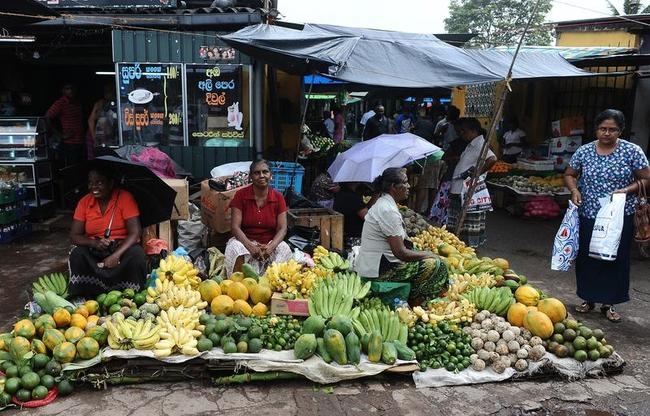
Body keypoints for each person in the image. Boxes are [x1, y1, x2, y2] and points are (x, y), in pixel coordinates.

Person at [564, 109, 650, 323]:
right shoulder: (584, 151)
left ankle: (610, 303)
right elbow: (569, 174)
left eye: (613, 130)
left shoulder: (632, 151)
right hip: (589, 212)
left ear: (620, 131)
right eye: (603, 128)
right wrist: (574, 190)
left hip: (619, 216)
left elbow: (646, 179)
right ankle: (587, 298)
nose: (607, 133)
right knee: (587, 256)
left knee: (615, 256)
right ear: (596, 129)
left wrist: (626, 190)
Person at [356, 167, 449, 303]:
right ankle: (417, 301)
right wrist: (429, 255)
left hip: (376, 263)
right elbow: (400, 252)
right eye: (405, 183)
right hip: (380, 271)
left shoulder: (385, 203)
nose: (409, 186)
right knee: (436, 265)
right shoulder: (387, 210)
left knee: (427, 257)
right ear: (394, 187)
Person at [68, 166, 147, 297]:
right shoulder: (84, 202)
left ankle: (130, 296)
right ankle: (86, 296)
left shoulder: (124, 198)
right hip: (95, 248)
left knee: (137, 255)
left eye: (99, 182)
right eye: (91, 183)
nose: (94, 187)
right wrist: (94, 243)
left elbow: (135, 232)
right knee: (77, 254)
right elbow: (74, 236)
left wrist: (116, 255)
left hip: (121, 248)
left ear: (110, 184)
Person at [225, 159, 293, 276]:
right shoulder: (241, 195)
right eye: (257, 173)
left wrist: (270, 247)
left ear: (270, 175)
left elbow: (283, 228)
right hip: (245, 241)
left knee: (284, 249)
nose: (261, 176)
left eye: (265, 172)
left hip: (269, 243)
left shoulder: (278, 197)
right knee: (234, 248)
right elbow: (235, 227)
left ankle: (271, 283)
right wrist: (251, 246)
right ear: (251, 176)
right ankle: (240, 285)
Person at [446, 117, 497, 247]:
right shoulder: (471, 144)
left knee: (467, 221)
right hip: (458, 188)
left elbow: (492, 159)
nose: (461, 133)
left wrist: (477, 173)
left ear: (474, 131)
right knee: (457, 218)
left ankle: (467, 246)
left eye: (464, 131)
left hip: (466, 189)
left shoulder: (480, 145)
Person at [429, 134, 468, 226]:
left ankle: (445, 223)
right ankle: (439, 222)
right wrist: (453, 159)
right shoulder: (456, 144)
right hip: (450, 179)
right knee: (444, 202)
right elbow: (444, 157)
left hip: (459, 182)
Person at [46, 83, 85, 167]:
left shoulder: (77, 102)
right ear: (63, 91)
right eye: (67, 88)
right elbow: (47, 117)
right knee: (71, 168)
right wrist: (59, 135)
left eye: (72, 88)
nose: (70, 90)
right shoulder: (60, 103)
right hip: (70, 143)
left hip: (80, 141)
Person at [333, 182, 370, 248]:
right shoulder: (352, 197)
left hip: (346, 237)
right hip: (355, 239)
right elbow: (369, 218)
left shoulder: (341, 194)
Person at [87, 84, 117, 159]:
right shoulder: (100, 104)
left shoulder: (116, 103)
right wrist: (94, 137)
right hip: (95, 134)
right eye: (107, 91)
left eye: (111, 91)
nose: (109, 94)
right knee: (94, 159)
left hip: (108, 136)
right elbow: (90, 120)